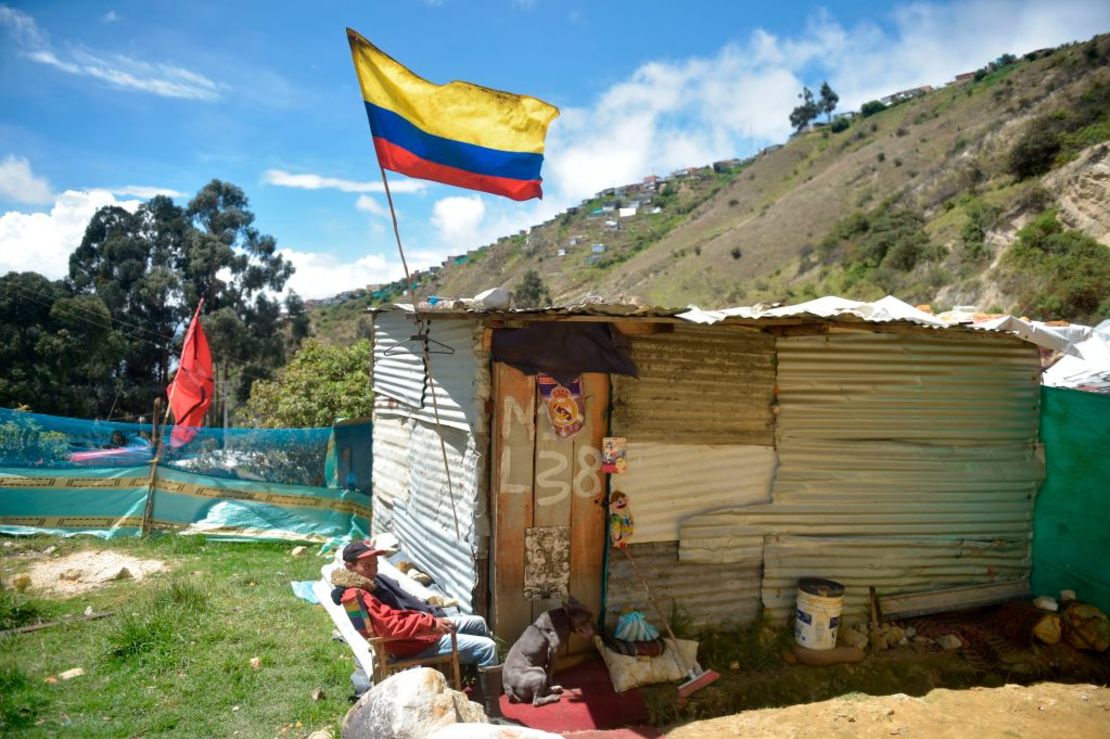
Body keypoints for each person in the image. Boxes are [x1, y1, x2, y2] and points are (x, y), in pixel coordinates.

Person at [333, 540, 508, 718]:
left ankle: (480, 687)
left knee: (477, 622)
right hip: (412, 644)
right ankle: (492, 712)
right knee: (487, 648)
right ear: (349, 566)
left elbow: (394, 615)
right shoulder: (357, 594)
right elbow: (390, 627)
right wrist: (430, 624)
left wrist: (427, 617)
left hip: (415, 633)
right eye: (367, 566)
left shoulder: (366, 584)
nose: (374, 571)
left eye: (375, 565)